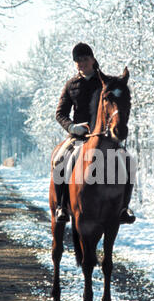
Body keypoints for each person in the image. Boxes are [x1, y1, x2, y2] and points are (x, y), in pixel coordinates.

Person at [55, 42, 135, 224]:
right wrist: (72, 127)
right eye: (77, 61)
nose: (81, 63)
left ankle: (123, 208)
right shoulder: (71, 85)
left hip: (106, 136)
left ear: (92, 59)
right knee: (61, 159)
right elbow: (60, 113)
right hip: (79, 136)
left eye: (84, 59)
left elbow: (118, 100)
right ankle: (62, 205)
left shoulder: (105, 82)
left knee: (129, 162)